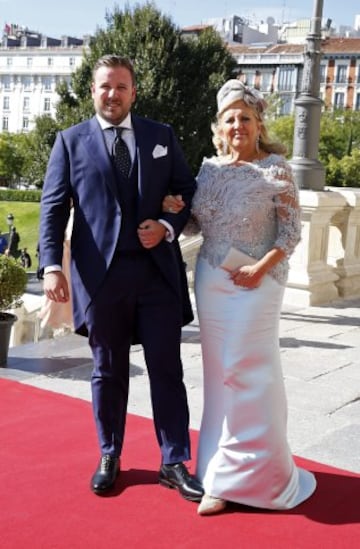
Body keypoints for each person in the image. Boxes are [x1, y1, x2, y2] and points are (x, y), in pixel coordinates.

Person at [39, 54, 203, 502]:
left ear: (134, 91)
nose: (113, 94)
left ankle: (173, 461)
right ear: (93, 91)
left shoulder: (161, 136)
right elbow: (53, 208)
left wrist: (167, 227)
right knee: (108, 371)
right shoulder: (70, 142)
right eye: (104, 86)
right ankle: (110, 454)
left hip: (157, 277)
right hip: (101, 279)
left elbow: (187, 190)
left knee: (166, 370)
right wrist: (52, 265)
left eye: (121, 86)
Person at [163, 79, 316, 515]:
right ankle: (216, 471)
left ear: (258, 123)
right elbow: (198, 227)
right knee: (219, 377)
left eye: (244, 118)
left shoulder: (277, 169)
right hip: (212, 281)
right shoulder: (209, 169)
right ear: (220, 126)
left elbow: (290, 233)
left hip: (257, 286)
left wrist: (259, 269)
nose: (237, 125)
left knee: (246, 374)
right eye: (230, 118)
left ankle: (254, 479)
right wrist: (178, 211)